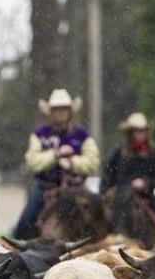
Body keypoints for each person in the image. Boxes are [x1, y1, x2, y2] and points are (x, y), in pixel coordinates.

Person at [14, 89, 100, 239]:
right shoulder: (40, 134)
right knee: (25, 222)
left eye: (64, 108)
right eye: (57, 108)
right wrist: (55, 155)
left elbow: (93, 162)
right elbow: (32, 161)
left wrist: (72, 162)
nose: (60, 112)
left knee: (100, 216)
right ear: (51, 112)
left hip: (77, 188)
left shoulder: (82, 135)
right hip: (46, 188)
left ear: (70, 111)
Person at [101, 112, 155, 246]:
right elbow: (107, 176)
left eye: (143, 130)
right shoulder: (117, 153)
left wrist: (146, 183)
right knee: (104, 221)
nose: (140, 134)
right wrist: (107, 192)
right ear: (130, 132)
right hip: (120, 197)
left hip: (146, 197)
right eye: (137, 130)